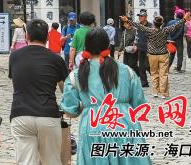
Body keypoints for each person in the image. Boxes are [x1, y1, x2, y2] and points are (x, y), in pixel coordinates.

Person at [61, 28, 150, 165]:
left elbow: (70, 110)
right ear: (108, 46)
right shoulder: (127, 71)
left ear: (86, 47)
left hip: (93, 126)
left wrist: (84, 105)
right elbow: (139, 104)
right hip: (124, 124)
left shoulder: (76, 75)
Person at [9, 19, 68, 165]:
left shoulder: (15, 57)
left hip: (21, 115)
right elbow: (65, 90)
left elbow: (16, 82)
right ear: (47, 37)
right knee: (52, 161)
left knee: (26, 162)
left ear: (27, 36)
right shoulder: (56, 59)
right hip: (48, 115)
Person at [120, 12, 189, 99]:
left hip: (152, 55)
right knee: (163, 74)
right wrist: (184, 19)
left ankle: (155, 92)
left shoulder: (150, 30)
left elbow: (138, 26)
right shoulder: (165, 30)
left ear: (154, 23)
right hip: (163, 54)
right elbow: (176, 26)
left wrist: (127, 20)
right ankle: (163, 93)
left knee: (154, 73)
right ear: (162, 23)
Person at [134, 10, 150, 87]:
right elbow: (136, 36)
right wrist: (135, 44)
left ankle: (156, 78)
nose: (139, 18)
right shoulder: (138, 26)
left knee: (148, 65)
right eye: (139, 16)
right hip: (140, 48)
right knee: (141, 66)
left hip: (148, 48)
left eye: (141, 16)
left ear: (145, 17)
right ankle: (144, 82)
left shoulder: (150, 26)